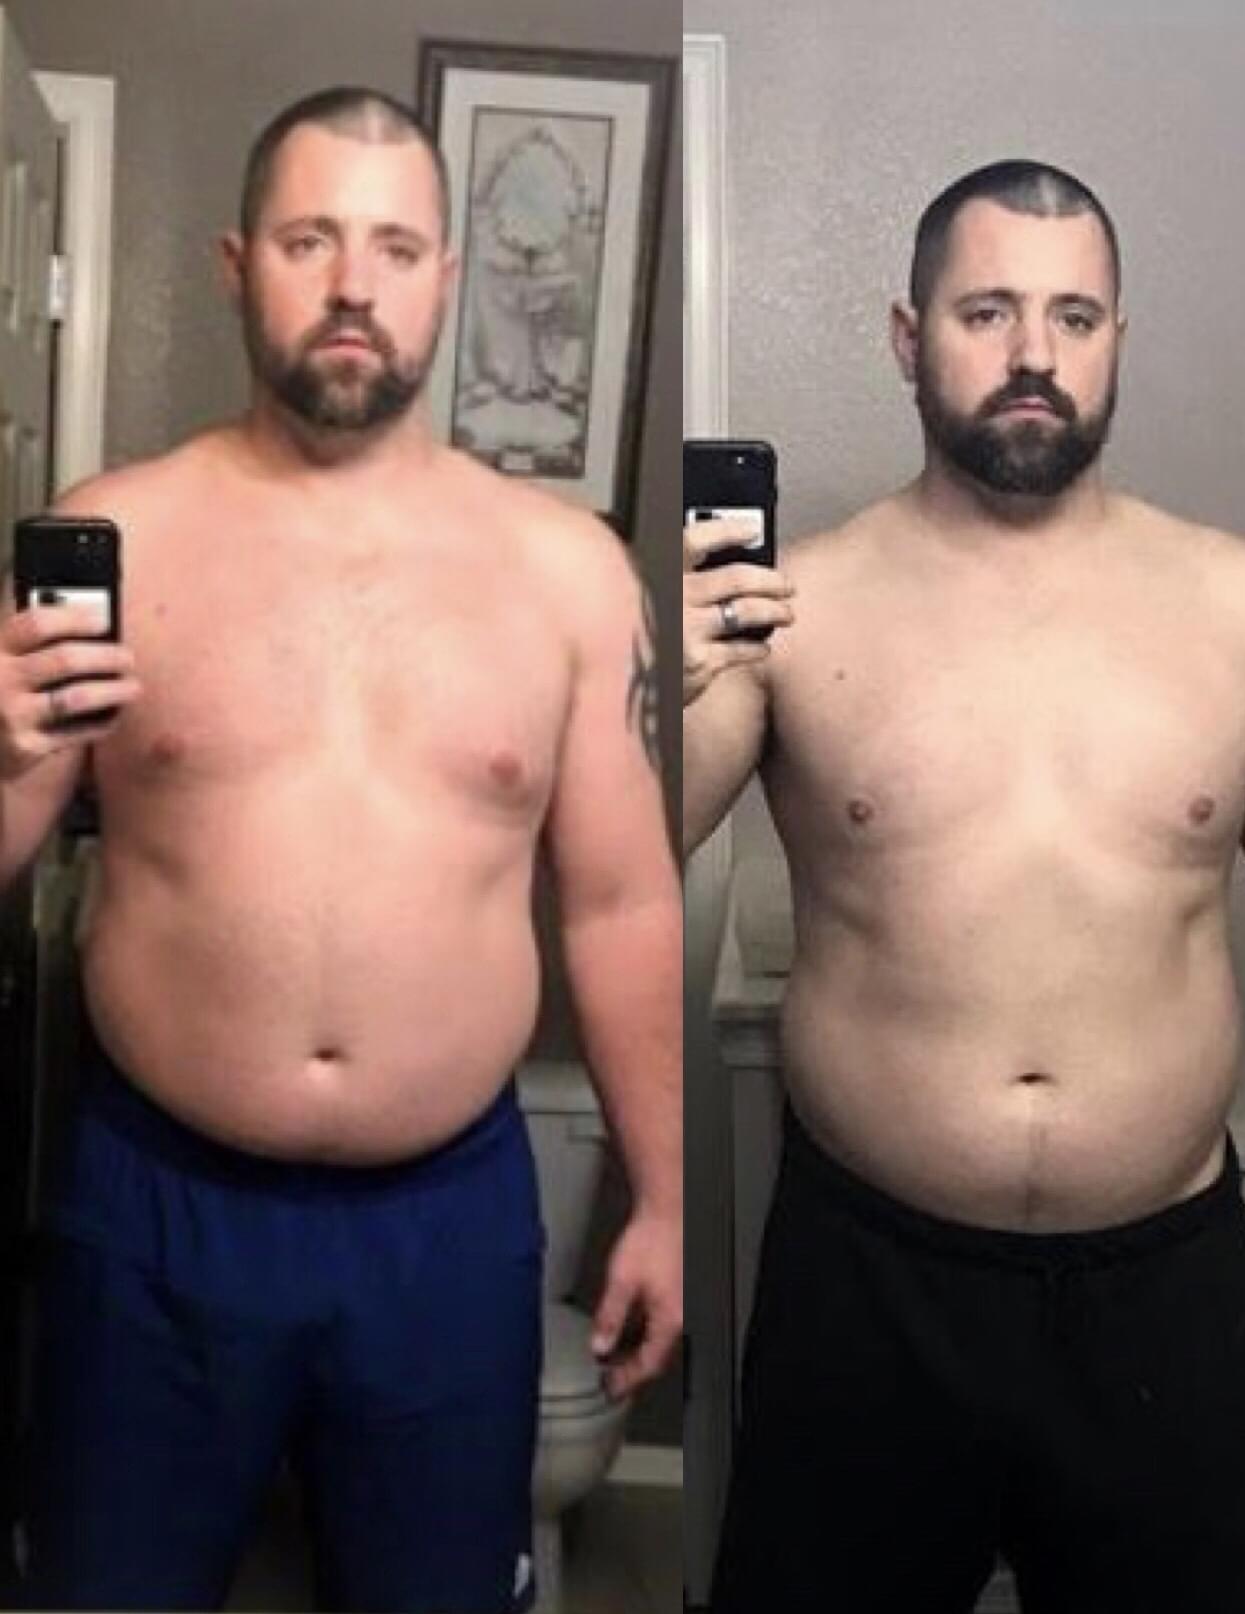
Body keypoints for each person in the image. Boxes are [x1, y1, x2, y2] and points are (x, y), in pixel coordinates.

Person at [6, 87, 683, 1612]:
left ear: (450, 277)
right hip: (154, 1206)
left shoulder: (567, 575)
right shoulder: (116, 534)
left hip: (447, 1225)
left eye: (395, 246)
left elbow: (623, 901)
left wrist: (663, 1195)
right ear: (236, 265)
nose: (354, 285)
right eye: (310, 240)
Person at [684, 158, 1245, 1612]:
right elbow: (620, 866)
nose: (1034, 353)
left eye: (1075, 315)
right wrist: (655, 688)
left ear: (1120, 338)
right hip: (868, 1286)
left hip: (1163, 1298)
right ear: (907, 335)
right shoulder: (786, 608)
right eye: (987, 311)